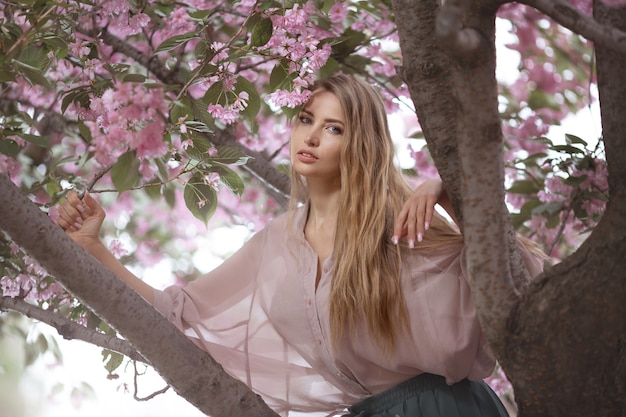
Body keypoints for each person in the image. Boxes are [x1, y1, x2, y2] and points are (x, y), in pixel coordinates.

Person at [57, 74, 544, 417]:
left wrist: (449, 191)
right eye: (305, 119)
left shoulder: (403, 221)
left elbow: (522, 275)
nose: (310, 136)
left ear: (361, 143)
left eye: (333, 128)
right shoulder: (277, 243)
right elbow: (175, 315)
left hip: (444, 410)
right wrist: (94, 250)